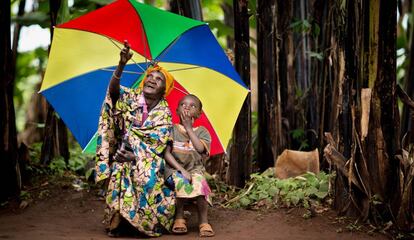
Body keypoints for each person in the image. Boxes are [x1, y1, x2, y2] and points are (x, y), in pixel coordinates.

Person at [94, 40, 176, 237]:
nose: (152, 80)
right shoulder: (130, 97)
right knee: (120, 165)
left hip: (148, 162)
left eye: (159, 79)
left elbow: (157, 148)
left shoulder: (165, 114)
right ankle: (118, 220)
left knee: (145, 172)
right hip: (122, 155)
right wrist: (121, 65)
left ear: (164, 90)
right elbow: (113, 94)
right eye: (150, 76)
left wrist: (135, 156)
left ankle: (146, 221)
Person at [164, 94, 215, 237]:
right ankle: (179, 218)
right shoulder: (171, 130)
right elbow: (167, 154)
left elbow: (200, 149)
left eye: (193, 106)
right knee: (181, 181)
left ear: (198, 114)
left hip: (195, 170)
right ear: (177, 110)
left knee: (200, 184)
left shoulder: (202, 131)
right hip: (174, 170)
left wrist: (189, 128)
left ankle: (203, 221)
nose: (187, 107)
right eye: (183, 104)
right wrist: (181, 170)